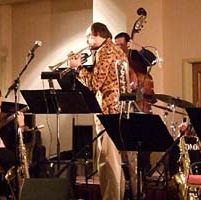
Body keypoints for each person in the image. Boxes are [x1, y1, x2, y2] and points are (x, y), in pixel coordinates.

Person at [69, 22, 128, 200]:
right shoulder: (115, 49)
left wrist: (78, 68)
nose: (86, 40)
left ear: (98, 35)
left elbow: (94, 84)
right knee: (114, 162)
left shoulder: (105, 51)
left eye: (89, 36)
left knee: (107, 161)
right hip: (117, 111)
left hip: (108, 112)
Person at [114, 32, 157, 113]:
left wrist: (138, 47)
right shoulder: (116, 59)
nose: (119, 47)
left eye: (122, 44)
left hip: (141, 95)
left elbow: (153, 61)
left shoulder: (136, 54)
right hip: (124, 96)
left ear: (128, 44)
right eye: (117, 45)